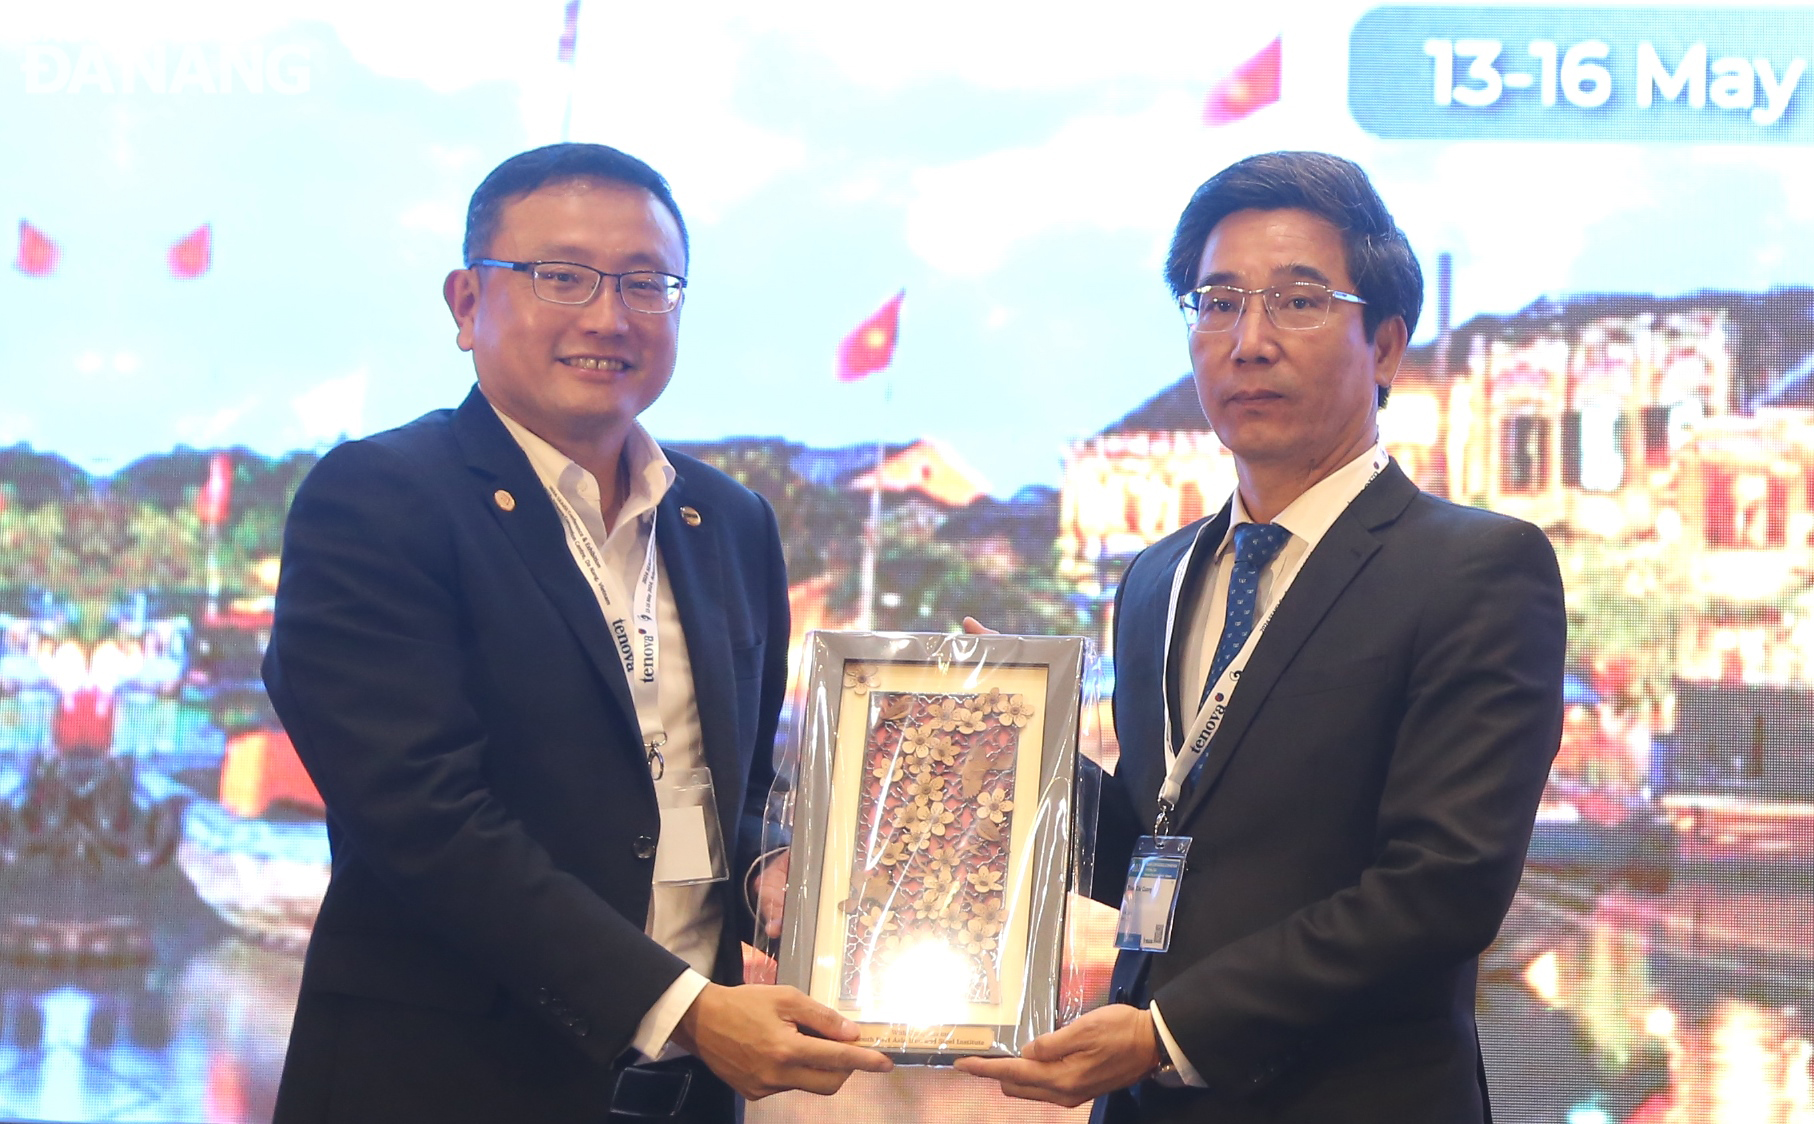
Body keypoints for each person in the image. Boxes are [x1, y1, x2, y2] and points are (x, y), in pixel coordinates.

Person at [262, 143, 891, 1124]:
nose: (609, 314)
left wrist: (771, 863)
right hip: (447, 1080)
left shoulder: (726, 520)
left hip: (687, 1095)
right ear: (467, 303)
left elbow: (703, 784)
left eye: (647, 282)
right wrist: (682, 1007)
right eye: (562, 276)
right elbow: (424, 817)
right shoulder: (377, 499)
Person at [956, 151, 1566, 1122]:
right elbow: (1163, 852)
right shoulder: (1155, 575)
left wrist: (1168, 1030)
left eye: (1296, 301)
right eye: (1215, 301)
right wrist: (1016, 750)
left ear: (1387, 345)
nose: (1247, 341)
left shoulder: (1476, 567)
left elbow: (1439, 888)